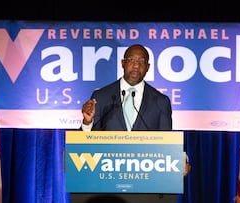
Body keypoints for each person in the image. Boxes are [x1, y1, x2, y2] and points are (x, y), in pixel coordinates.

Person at [78, 44, 190, 203]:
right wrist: (87, 122)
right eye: (131, 59)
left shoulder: (160, 101)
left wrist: (180, 160)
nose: (136, 65)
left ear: (148, 67)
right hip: (107, 187)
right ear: (123, 63)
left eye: (142, 61)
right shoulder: (101, 96)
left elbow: (167, 143)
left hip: (146, 188)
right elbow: (86, 146)